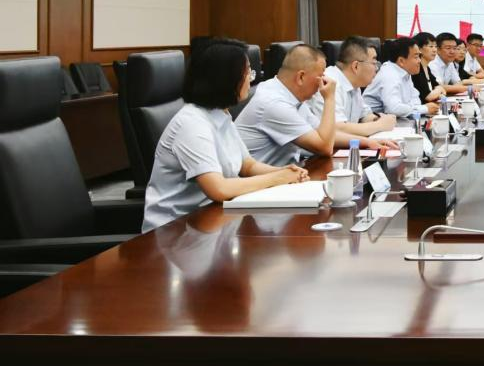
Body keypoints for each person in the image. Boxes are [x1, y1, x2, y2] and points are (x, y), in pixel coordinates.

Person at [143, 39, 307, 232]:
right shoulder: (192, 124)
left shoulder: (221, 114)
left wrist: (285, 172)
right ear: (226, 79)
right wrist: (277, 178)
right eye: (247, 73)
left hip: (211, 220)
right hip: (174, 232)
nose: (251, 79)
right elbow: (218, 189)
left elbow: (247, 165)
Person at [237, 44, 394, 168]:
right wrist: (330, 98)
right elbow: (325, 146)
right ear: (301, 77)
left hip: (285, 174)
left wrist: (366, 142)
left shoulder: (290, 95)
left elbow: (323, 134)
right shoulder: (274, 103)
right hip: (257, 186)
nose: (324, 82)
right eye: (320, 76)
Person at [305, 35, 395, 137]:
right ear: (356, 66)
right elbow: (337, 128)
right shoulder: (328, 83)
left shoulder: (354, 84)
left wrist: (378, 119)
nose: (377, 68)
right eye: (374, 63)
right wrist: (380, 125)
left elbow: (363, 116)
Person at [365, 37, 433, 117]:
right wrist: (424, 109)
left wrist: (417, 109)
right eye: (416, 57)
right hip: (370, 120)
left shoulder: (404, 71)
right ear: (401, 61)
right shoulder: (389, 74)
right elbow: (393, 109)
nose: (419, 61)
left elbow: (415, 98)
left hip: (393, 119)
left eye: (419, 56)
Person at [410, 32, 446, 111]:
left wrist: (438, 91)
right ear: (419, 49)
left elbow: (441, 89)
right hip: (419, 111)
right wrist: (438, 91)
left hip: (430, 109)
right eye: (431, 46)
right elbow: (428, 96)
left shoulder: (427, 68)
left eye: (435, 46)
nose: (434, 50)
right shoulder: (417, 68)